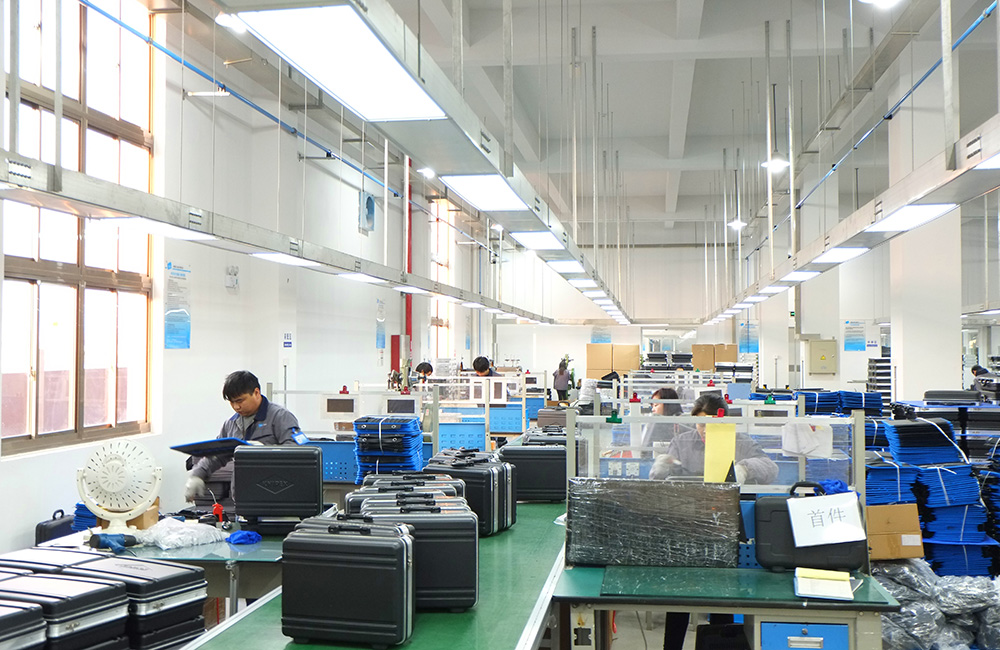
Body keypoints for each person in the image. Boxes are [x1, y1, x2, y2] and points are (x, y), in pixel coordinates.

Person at [184, 370, 301, 501]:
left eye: (240, 400)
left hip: (277, 493)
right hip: (242, 496)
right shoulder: (231, 424)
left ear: (256, 393)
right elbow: (217, 454)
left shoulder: (281, 417)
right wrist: (197, 475)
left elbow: (298, 451)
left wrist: (266, 451)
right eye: (232, 402)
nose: (236, 407)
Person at [649, 393, 778, 484]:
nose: (706, 431)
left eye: (713, 425)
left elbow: (771, 468)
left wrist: (745, 469)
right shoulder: (681, 443)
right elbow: (659, 485)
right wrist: (659, 472)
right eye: (701, 425)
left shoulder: (741, 443)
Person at [639, 387, 683, 457]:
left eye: (656, 405)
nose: (653, 409)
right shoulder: (654, 424)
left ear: (668, 405)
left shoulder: (682, 425)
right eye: (652, 406)